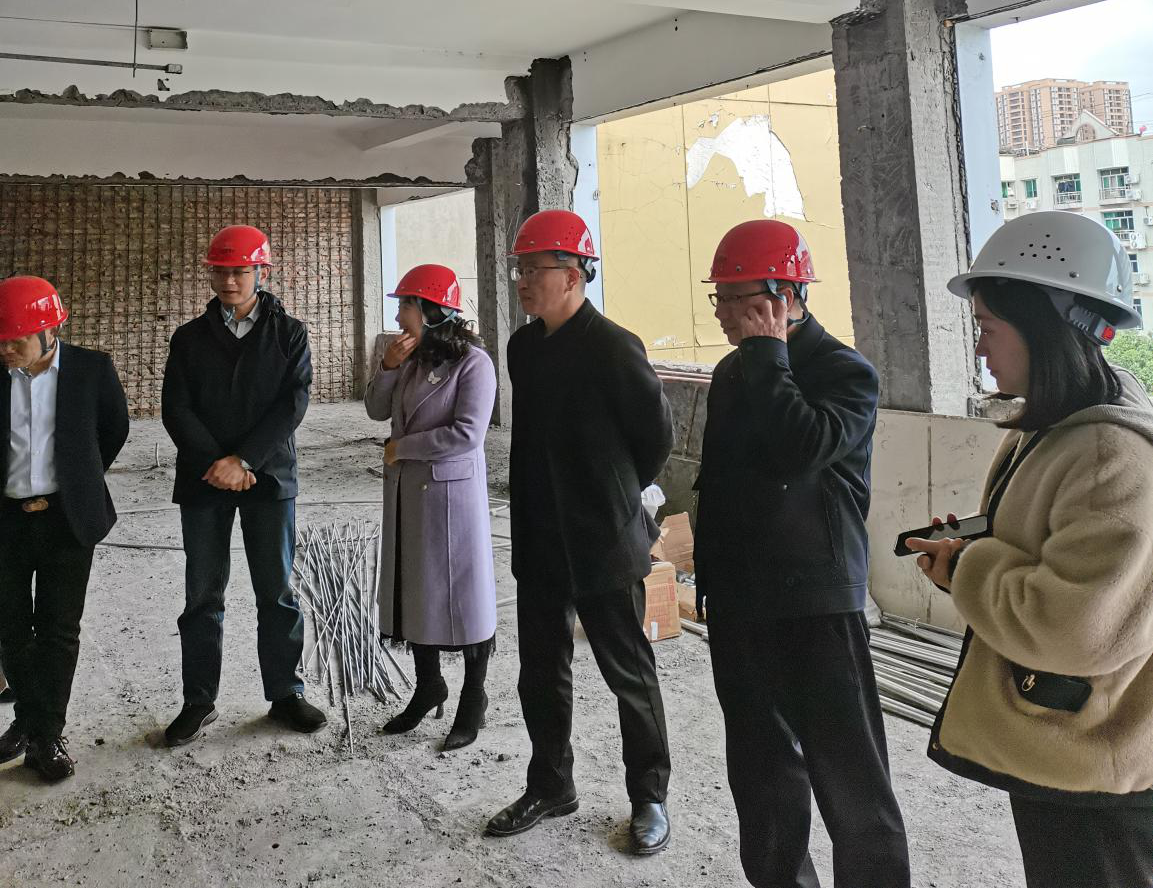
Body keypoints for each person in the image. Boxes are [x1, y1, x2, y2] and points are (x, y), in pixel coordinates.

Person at [908, 210, 1152, 889]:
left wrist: (967, 566)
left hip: (1095, 766)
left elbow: (1074, 627)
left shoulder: (1106, 453)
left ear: (1043, 330)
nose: (978, 348)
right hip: (1066, 746)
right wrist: (972, 542)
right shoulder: (1055, 425)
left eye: (988, 327)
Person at [693, 220, 910, 887]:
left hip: (815, 601)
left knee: (849, 777)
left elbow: (801, 447)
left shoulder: (845, 372)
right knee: (760, 774)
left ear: (783, 296)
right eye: (720, 297)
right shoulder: (733, 370)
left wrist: (768, 355)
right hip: (740, 600)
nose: (723, 313)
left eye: (736, 299)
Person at [484, 210, 675, 855]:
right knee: (540, 671)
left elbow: (655, 438)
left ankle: (649, 796)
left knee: (629, 674)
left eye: (532, 269)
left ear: (572, 275)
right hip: (540, 536)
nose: (521, 280)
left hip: (604, 537)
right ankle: (550, 784)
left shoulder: (614, 346)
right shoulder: (522, 347)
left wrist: (616, 494)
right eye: (519, 268)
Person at [161, 224, 325, 747]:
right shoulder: (189, 338)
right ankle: (198, 701)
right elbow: (176, 408)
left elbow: (292, 403)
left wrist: (245, 459)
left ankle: (285, 693)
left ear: (262, 272)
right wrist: (217, 462)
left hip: (268, 475)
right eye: (221, 271)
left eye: (239, 271)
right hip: (205, 477)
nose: (229, 280)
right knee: (202, 594)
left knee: (275, 591)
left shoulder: (289, 333)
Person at [364, 264, 498, 751]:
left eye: (406, 305)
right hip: (408, 492)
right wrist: (387, 368)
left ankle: (473, 696)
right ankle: (428, 685)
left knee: (465, 597)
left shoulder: (474, 363)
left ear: (432, 310)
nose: (399, 315)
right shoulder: (410, 358)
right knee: (416, 588)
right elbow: (376, 410)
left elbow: (468, 434)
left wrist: (404, 448)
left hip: (451, 496)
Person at [0, 275, 128, 780]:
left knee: (58, 631)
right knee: (11, 629)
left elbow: (112, 431)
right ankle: (31, 720)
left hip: (67, 520)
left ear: (49, 331)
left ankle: (45, 735)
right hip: (6, 521)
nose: (5, 351)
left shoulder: (91, 371)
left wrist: (76, 483)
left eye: (16, 342)